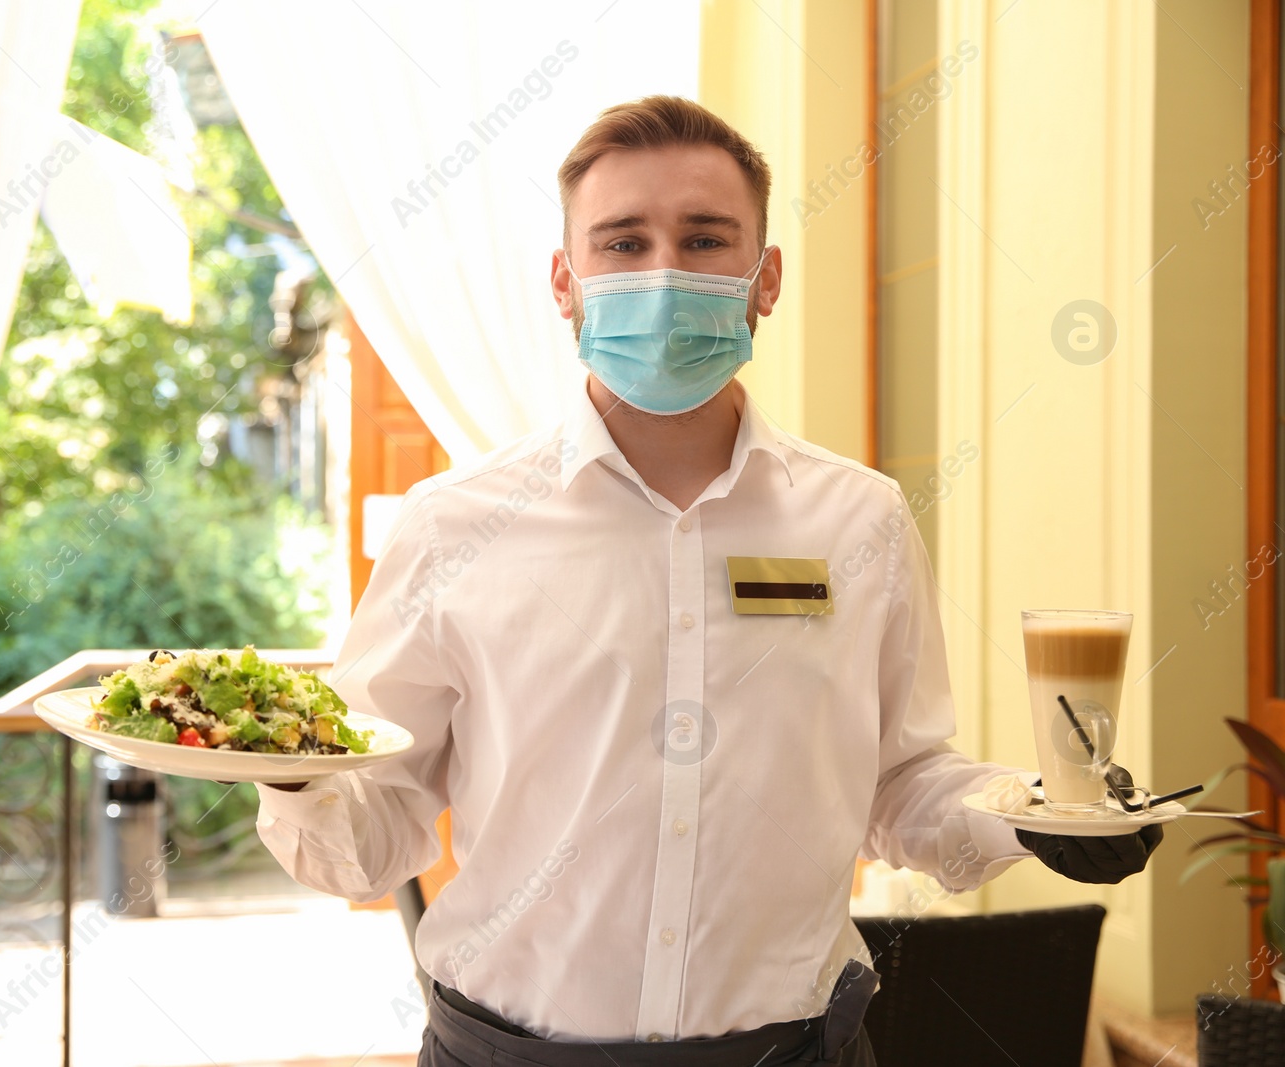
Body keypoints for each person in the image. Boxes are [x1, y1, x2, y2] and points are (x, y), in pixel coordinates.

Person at [253, 95, 1160, 1067]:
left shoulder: (859, 519)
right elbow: (371, 831)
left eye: (704, 238)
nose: (664, 271)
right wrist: (287, 764)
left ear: (763, 279)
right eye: (622, 242)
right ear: (565, 282)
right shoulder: (453, 525)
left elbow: (899, 784)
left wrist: (1035, 814)